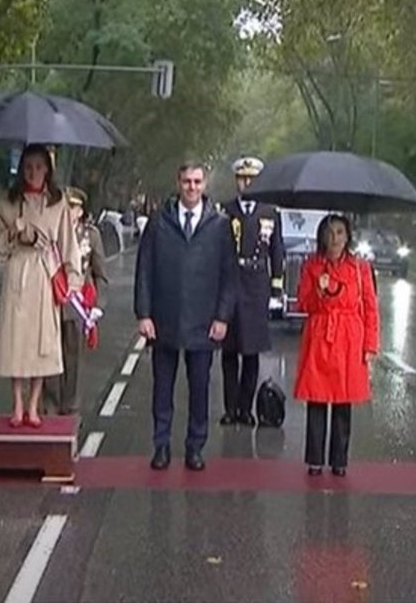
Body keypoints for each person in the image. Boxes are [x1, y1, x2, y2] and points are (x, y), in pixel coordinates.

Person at [134, 162, 237, 471]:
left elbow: (229, 276)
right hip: (164, 318)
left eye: (197, 182)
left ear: (204, 185)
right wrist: (144, 313)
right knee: (162, 388)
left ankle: (195, 446)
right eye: (186, 182)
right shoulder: (159, 222)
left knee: (200, 388)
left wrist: (222, 317)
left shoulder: (219, 226)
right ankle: (161, 445)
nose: (191, 187)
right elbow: (144, 270)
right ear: (177, 183)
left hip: (203, 323)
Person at [0, 145, 82, 427]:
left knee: (43, 341)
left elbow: (69, 243)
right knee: (16, 340)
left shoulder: (58, 203)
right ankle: (17, 403)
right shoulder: (7, 202)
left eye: (39, 167)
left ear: (48, 169)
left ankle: (34, 406)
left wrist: (73, 279)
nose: (33, 172)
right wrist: (15, 232)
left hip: (44, 274)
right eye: (28, 167)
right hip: (18, 273)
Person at [294, 214, 379, 477]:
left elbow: (370, 307)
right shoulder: (312, 265)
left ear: (347, 236)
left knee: (344, 400)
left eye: (340, 233)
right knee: (317, 399)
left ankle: (339, 459)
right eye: (329, 233)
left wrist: (370, 345)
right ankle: (315, 459)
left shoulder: (359, 268)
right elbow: (303, 304)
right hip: (320, 336)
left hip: (348, 339)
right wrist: (318, 292)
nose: (334, 239)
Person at [219, 156, 285, 427]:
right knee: (229, 350)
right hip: (231, 281)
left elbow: (277, 250)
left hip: (256, 283)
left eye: (251, 178)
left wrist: (276, 289)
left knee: (251, 351)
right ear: (236, 181)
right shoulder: (225, 210)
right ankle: (230, 408)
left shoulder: (270, 212)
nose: (246, 183)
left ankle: (246, 409)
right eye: (242, 178)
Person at [45, 187, 108, 415]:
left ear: (80, 211)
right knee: (49, 358)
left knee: (73, 360)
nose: (67, 211)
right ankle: (50, 406)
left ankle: (71, 408)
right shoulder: (50, 233)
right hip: (50, 305)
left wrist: (98, 307)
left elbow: (100, 273)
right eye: (64, 206)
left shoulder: (90, 235)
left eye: (72, 207)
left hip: (77, 305)